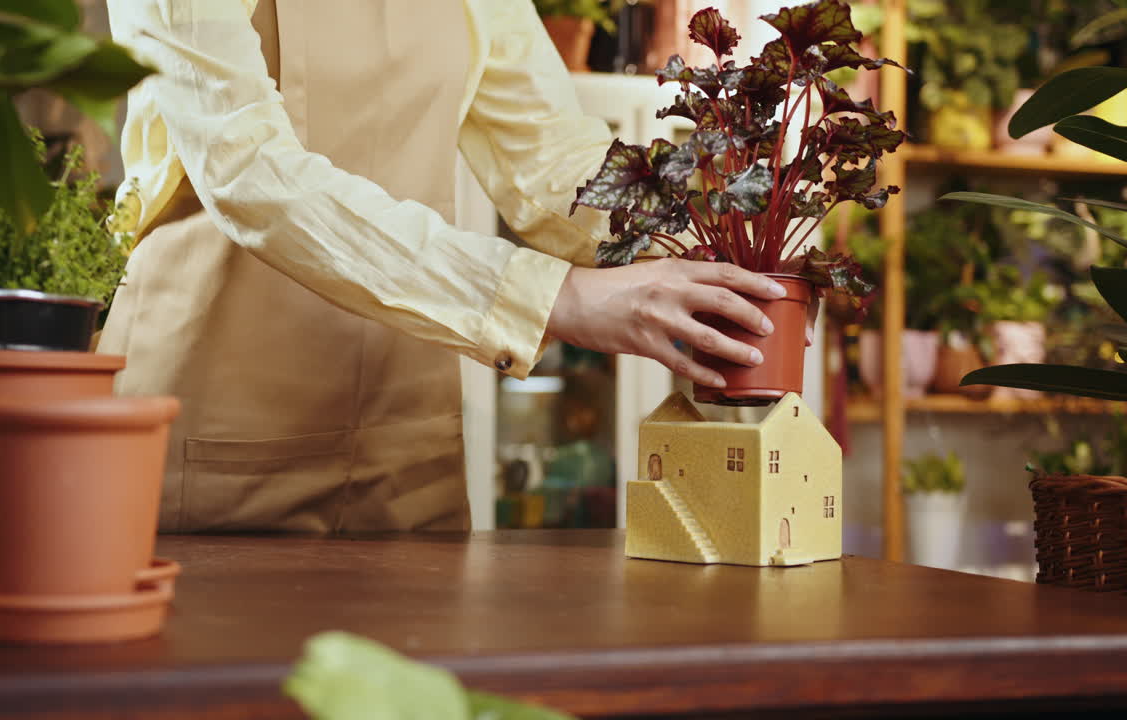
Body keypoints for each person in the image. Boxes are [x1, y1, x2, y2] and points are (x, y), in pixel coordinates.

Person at [102, 0, 794, 534]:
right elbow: (247, 170)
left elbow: (552, 162)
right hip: (213, 434)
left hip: (403, 443)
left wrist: (724, 242)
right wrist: (556, 298)